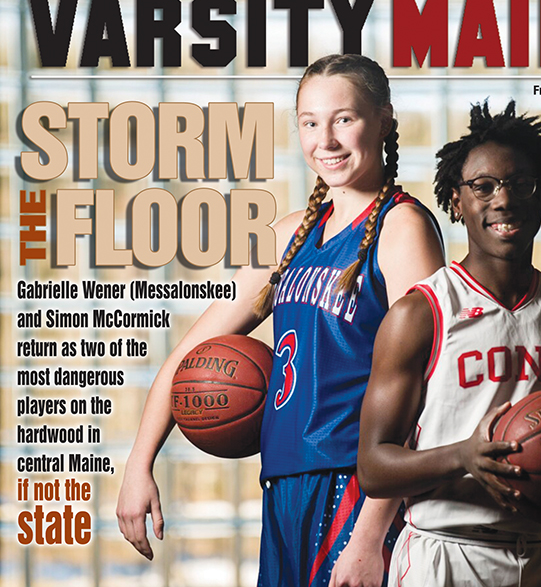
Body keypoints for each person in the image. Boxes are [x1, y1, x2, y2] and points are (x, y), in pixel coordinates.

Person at [116, 54, 445, 587]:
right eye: (310, 123)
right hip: (284, 485)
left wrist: (368, 538)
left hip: (359, 489)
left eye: (345, 119)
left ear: (383, 120)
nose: (327, 140)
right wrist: (138, 464)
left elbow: (431, 391)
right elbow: (188, 354)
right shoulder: (291, 236)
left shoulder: (402, 227)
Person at [357, 100, 541, 587]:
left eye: (520, 184)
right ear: (456, 201)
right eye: (483, 187)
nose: (502, 200)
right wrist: (462, 455)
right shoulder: (420, 314)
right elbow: (374, 467)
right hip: (449, 554)